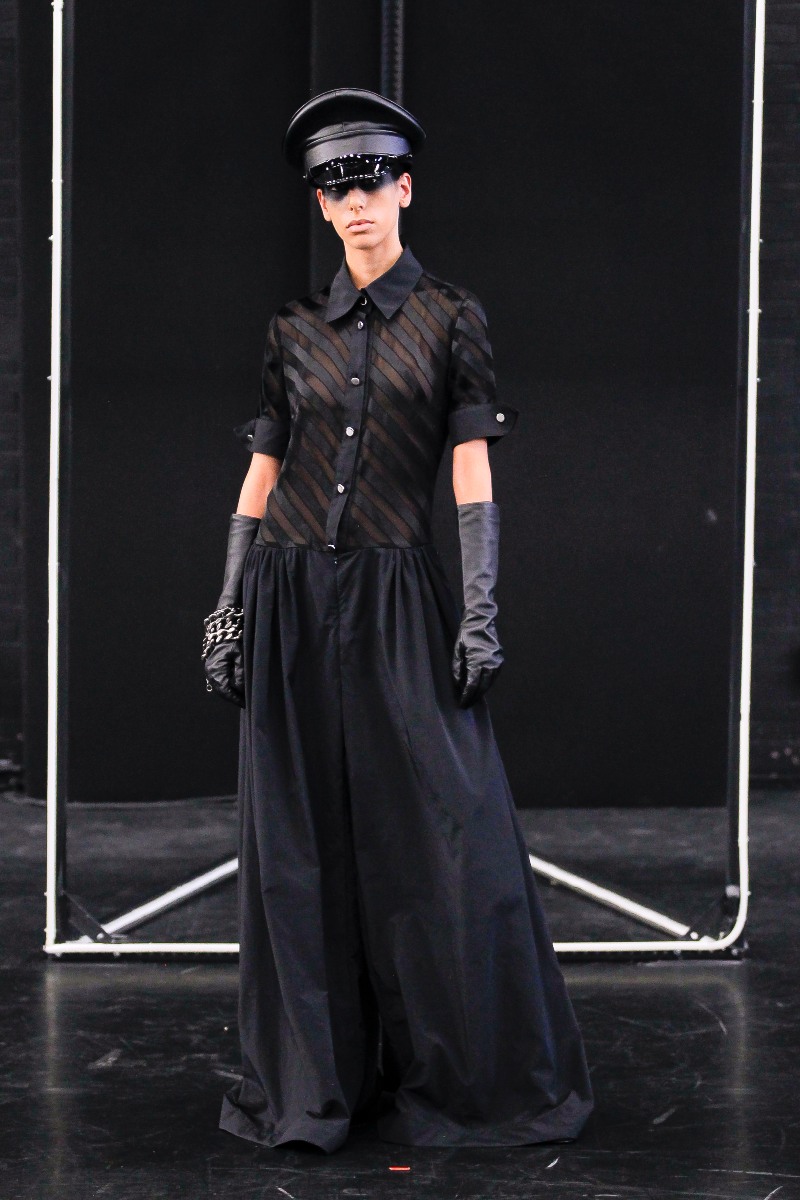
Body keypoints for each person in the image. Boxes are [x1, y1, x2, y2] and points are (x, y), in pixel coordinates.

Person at [203, 88, 593, 1153]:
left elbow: (469, 472)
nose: (357, 201)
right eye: (336, 188)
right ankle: (312, 1089)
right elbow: (263, 474)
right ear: (321, 205)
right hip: (287, 594)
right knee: (295, 848)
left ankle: (476, 1081)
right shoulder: (292, 329)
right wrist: (228, 605)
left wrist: (479, 608)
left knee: (446, 835)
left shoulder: (453, 316)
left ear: (405, 187)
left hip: (392, 597)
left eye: (372, 180)